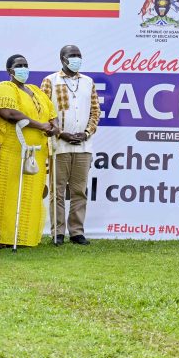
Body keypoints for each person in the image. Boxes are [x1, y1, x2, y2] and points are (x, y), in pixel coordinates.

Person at [0, 54, 58, 248]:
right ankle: (2, 238)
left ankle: (25, 237)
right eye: (19, 66)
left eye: (25, 65)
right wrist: (41, 126)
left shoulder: (36, 90)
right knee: (8, 194)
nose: (23, 69)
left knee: (30, 195)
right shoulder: (5, 87)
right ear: (10, 71)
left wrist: (52, 126)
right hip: (11, 151)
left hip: (36, 152)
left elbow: (51, 114)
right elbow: (9, 113)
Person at [40, 45, 101, 246]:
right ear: (62, 59)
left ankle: (76, 232)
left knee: (79, 190)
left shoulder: (88, 82)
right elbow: (43, 111)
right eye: (72, 56)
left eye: (78, 55)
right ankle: (57, 232)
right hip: (58, 145)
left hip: (83, 146)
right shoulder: (50, 81)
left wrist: (85, 134)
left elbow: (95, 112)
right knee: (57, 191)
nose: (76, 59)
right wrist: (61, 133)